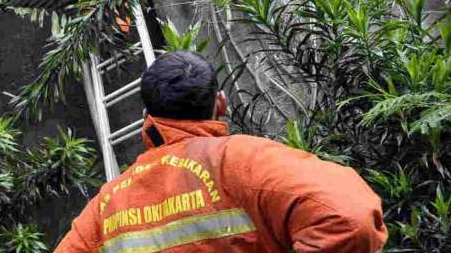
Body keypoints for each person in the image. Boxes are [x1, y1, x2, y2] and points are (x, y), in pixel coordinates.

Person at [55, 51, 388, 253]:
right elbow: (350, 218)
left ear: (147, 118)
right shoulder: (244, 164)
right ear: (221, 103)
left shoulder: (109, 202)